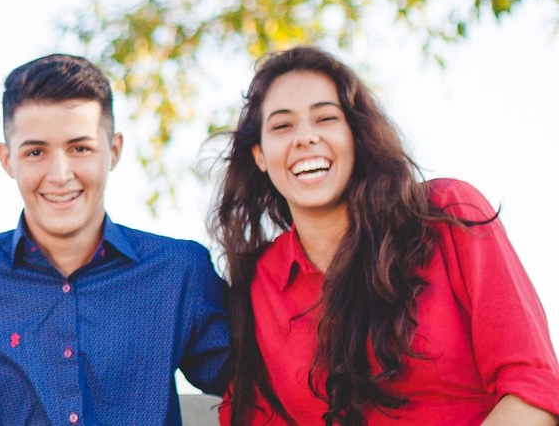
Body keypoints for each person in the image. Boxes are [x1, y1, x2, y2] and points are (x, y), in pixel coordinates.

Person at [212, 46, 559, 425]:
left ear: (356, 136)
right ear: (260, 155)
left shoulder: (448, 215)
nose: (305, 138)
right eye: (282, 126)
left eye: (326, 118)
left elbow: (532, 390)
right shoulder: (259, 285)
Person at [0, 54, 230, 426]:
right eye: (36, 152)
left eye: (80, 148)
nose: (60, 174)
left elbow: (259, 382)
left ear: (114, 151)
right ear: (7, 160)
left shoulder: (179, 272)